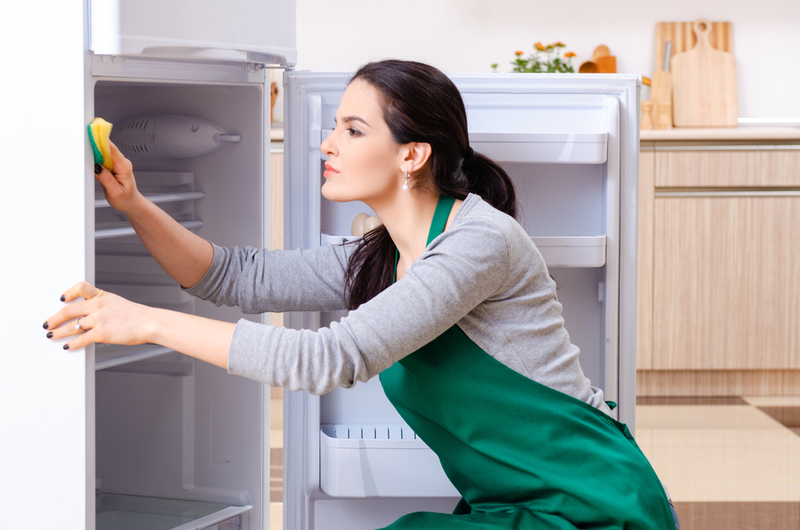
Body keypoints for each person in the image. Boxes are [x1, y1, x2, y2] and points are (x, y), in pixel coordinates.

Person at [44, 60, 677, 529]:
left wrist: (147, 322)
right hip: (514, 507)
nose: (327, 143)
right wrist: (131, 202)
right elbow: (234, 276)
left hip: (593, 506)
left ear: (412, 155)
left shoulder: (479, 241)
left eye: (352, 130)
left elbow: (326, 359)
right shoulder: (380, 254)